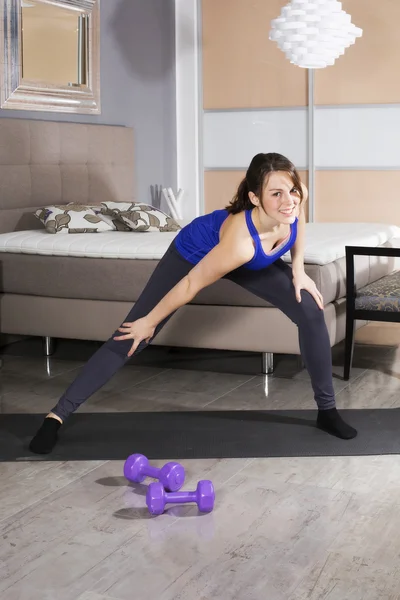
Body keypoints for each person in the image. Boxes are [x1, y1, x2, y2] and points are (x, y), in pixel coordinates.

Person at [29, 152, 356, 454]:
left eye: (292, 190)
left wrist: (298, 270)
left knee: (311, 311)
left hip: (250, 259)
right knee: (134, 334)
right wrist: (150, 321)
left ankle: (326, 411)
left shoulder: (294, 196)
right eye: (276, 194)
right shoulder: (238, 243)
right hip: (195, 254)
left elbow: (297, 224)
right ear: (255, 198)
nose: (289, 200)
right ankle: (56, 416)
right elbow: (191, 283)